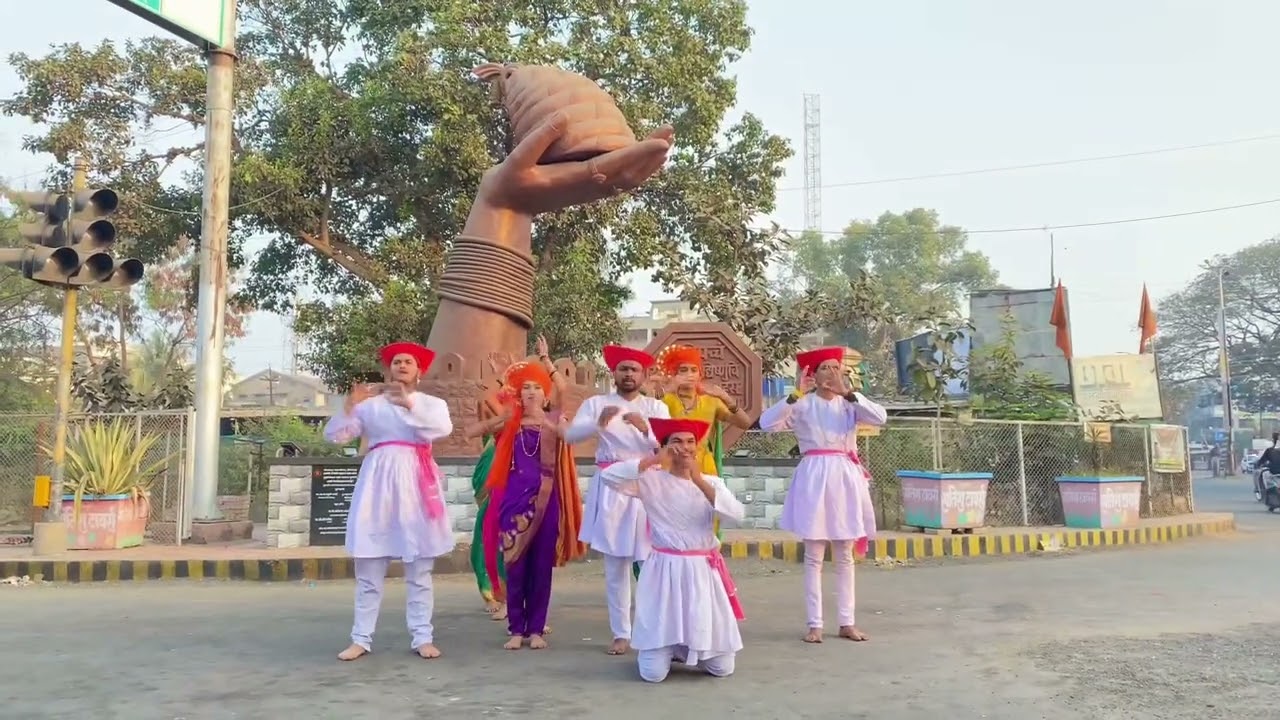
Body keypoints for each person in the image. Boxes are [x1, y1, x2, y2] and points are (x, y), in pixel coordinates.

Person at [322, 341, 455, 661]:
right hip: (377, 484)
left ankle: (423, 636)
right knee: (369, 566)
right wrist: (349, 408)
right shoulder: (372, 405)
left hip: (416, 484)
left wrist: (409, 405)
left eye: (408, 361)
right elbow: (337, 436)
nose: (402, 365)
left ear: (419, 372)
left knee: (419, 567)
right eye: (396, 361)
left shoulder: (431, 404)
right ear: (388, 369)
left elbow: (442, 429)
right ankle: (360, 638)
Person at [758, 346, 888, 645]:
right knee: (814, 554)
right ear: (812, 375)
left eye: (836, 367)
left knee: (845, 553)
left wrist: (850, 393)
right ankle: (814, 623)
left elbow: (879, 417)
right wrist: (794, 394)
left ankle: (846, 622)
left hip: (844, 475)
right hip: (814, 475)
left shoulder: (850, 404)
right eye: (825, 368)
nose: (832, 373)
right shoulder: (802, 405)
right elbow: (766, 423)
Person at [600, 418, 745, 683]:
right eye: (676, 442)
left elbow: (736, 515)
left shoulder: (711, 483)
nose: (685, 448)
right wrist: (651, 460)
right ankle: (667, 647)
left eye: (691, 442)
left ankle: (689, 646)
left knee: (723, 668)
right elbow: (608, 477)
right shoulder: (650, 480)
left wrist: (698, 478)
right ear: (665, 447)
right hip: (663, 568)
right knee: (652, 674)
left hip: (701, 571)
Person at [465, 348, 584, 650]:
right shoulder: (510, 423)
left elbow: (570, 430)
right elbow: (470, 432)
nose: (531, 392)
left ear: (545, 397)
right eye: (525, 388)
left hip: (547, 501)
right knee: (514, 564)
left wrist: (546, 361)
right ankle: (516, 628)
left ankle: (536, 630)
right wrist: (501, 418)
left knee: (541, 566)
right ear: (518, 395)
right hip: (512, 502)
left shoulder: (555, 422)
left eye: (536, 388)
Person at [565, 344, 670, 655]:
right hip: (611, 485)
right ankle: (621, 633)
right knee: (616, 565)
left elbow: (669, 446)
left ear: (643, 375)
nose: (628, 374)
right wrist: (597, 424)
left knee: (651, 562)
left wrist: (645, 428)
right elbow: (570, 437)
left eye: (634, 369)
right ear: (614, 373)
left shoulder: (656, 408)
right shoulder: (597, 403)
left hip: (648, 486)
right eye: (623, 368)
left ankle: (654, 629)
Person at [648, 344, 754, 538]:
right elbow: (646, 416)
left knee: (704, 520)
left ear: (700, 374)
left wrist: (725, 397)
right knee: (672, 520)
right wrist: (668, 388)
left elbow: (745, 423)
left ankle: (703, 560)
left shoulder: (711, 401)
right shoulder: (665, 400)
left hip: (704, 468)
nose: (689, 375)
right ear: (673, 374)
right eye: (683, 370)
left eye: (693, 370)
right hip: (671, 467)